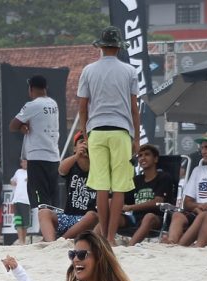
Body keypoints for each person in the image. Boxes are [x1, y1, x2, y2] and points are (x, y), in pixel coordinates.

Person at [78, 26, 140, 246]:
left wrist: (86, 134)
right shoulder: (130, 71)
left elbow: (83, 107)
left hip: (97, 130)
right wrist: (137, 138)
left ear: (101, 47)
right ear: (118, 47)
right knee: (120, 187)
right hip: (121, 130)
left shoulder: (88, 70)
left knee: (101, 187)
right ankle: (112, 237)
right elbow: (134, 108)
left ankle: (103, 235)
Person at [9, 74, 60, 208]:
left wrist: (21, 126)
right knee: (53, 199)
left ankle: (46, 228)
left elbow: (12, 126)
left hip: (37, 158)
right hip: (54, 157)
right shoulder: (53, 104)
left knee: (40, 200)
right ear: (46, 88)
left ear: (31, 89)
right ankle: (55, 227)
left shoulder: (32, 105)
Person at [38, 132, 98, 242]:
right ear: (75, 148)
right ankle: (51, 244)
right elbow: (61, 169)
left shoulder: (99, 167)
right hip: (68, 217)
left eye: (88, 142)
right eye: (81, 142)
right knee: (43, 212)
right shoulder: (72, 165)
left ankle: (61, 241)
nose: (85, 144)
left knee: (93, 215)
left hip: (87, 221)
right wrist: (76, 156)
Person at [117, 144, 173, 246]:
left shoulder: (164, 177)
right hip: (136, 219)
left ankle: (130, 247)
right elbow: (125, 201)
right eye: (140, 155)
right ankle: (96, 244)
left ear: (155, 159)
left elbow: (158, 201)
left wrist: (131, 207)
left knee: (149, 217)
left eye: (147, 154)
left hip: (157, 219)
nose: (142, 158)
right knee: (114, 216)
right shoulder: (136, 180)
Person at [10, 160, 30, 245]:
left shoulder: (31, 172)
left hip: (26, 200)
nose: (24, 164)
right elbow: (12, 180)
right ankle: (20, 240)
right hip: (17, 199)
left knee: (25, 222)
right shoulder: (18, 172)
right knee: (18, 220)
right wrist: (13, 182)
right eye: (23, 162)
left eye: (26, 162)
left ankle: (24, 240)